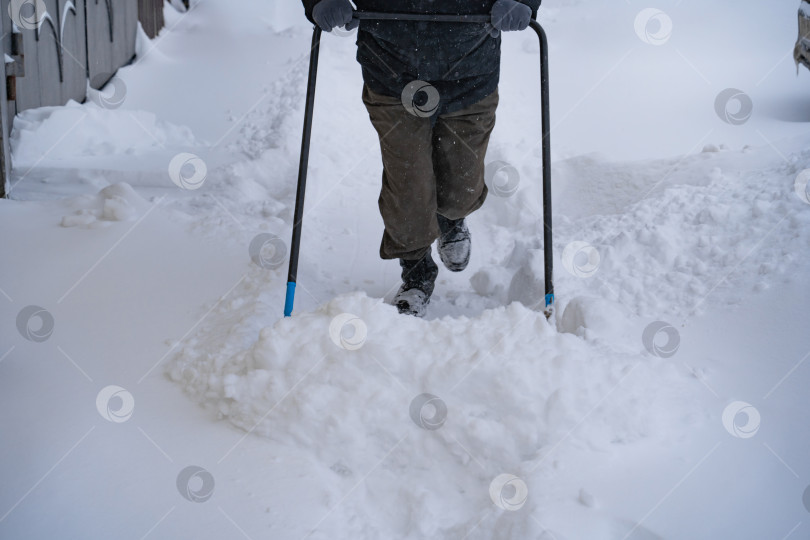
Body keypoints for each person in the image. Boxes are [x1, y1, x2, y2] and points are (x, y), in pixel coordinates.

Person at [302, 0, 541, 316]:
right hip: (391, 67)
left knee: (463, 181)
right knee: (408, 180)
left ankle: (451, 219)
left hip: (471, 67)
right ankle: (416, 271)